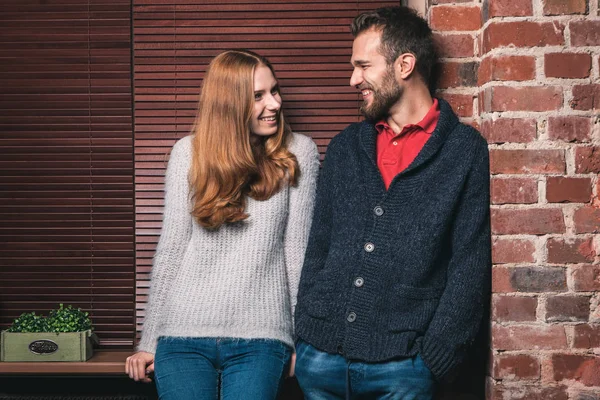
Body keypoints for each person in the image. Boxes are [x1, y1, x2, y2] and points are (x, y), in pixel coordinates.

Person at [294, 6, 491, 399]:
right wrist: (306, 333)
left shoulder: (463, 151)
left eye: (363, 66)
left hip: (404, 369)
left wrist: (434, 358)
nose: (354, 79)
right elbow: (318, 247)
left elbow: (469, 264)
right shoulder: (346, 148)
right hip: (320, 362)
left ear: (404, 65)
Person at [125, 49, 319, 400]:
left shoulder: (298, 152)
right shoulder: (188, 153)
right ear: (230, 104)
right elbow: (172, 249)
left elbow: (298, 255)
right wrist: (149, 340)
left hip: (262, 337)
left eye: (274, 91)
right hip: (182, 335)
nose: (274, 104)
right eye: (258, 96)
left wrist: (298, 340)